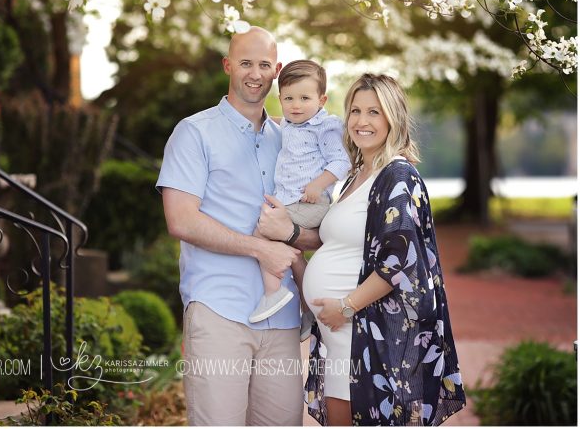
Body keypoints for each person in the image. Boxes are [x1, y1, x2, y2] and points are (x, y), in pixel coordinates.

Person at [259, 74, 466, 425]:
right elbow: (339, 250)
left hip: (368, 334)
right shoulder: (355, 177)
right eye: (355, 110)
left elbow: (398, 263)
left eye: (374, 112)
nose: (361, 121)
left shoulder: (397, 176)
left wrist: (344, 306)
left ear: (393, 118)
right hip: (341, 334)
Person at [158, 27, 304, 425]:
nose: (254, 74)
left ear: (276, 70)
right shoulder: (194, 132)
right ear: (228, 66)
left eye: (263, 65)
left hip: (283, 319)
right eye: (245, 63)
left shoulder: (290, 141)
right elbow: (181, 219)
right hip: (220, 310)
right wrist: (260, 248)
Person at [249, 60, 351, 340]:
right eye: (288, 98)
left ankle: (273, 292)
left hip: (309, 203)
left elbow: (342, 161)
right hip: (292, 202)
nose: (296, 105)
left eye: (305, 98)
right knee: (294, 256)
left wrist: (318, 185)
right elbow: (274, 123)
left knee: (263, 231)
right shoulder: (292, 124)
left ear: (322, 100)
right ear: (279, 98)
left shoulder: (324, 126)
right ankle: (309, 312)